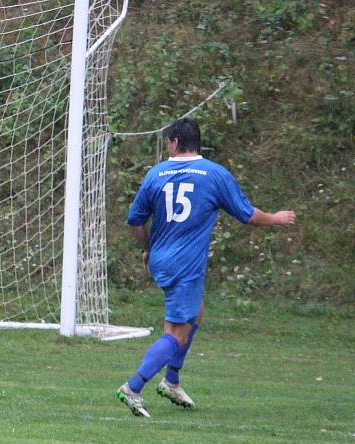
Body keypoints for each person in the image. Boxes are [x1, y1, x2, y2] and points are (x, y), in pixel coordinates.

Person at [116, 118, 296, 417]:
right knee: (176, 332)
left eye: (167, 143)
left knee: (194, 313)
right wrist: (277, 218)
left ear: (175, 142)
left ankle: (172, 380)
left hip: (162, 259)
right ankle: (133, 387)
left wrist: (148, 248)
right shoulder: (214, 174)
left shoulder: (157, 173)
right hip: (185, 265)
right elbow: (248, 215)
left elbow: (135, 220)